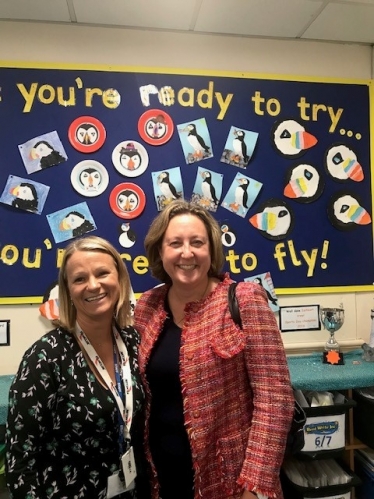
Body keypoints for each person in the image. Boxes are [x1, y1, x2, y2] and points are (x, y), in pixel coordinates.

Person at [134, 200, 294, 499]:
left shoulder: (244, 300)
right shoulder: (147, 306)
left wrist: (255, 485)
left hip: (231, 477)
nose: (187, 253)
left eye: (197, 242)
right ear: (160, 251)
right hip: (162, 474)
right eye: (175, 243)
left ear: (212, 250)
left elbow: (275, 398)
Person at [6, 235, 149, 499]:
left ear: (120, 279)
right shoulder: (45, 357)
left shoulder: (133, 341)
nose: (93, 285)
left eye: (102, 273)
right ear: (68, 290)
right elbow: (20, 458)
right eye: (80, 279)